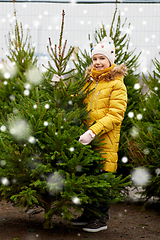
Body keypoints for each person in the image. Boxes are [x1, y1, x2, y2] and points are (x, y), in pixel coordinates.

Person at [72, 37, 128, 232]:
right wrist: (61, 89)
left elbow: (115, 115)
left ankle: (101, 219)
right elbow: (78, 100)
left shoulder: (117, 85)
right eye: (95, 58)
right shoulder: (90, 82)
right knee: (90, 178)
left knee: (102, 181)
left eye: (101, 58)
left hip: (105, 140)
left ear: (110, 60)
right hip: (89, 140)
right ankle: (88, 215)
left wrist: (93, 130)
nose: (97, 62)